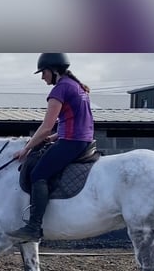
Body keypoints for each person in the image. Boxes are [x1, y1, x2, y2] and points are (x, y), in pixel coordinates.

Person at [8, 53, 95, 242]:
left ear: (54, 71)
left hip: (72, 142)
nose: (42, 77)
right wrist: (56, 136)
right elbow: (77, 120)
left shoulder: (60, 89)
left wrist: (27, 148)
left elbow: (46, 127)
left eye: (44, 72)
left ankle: (33, 227)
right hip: (82, 140)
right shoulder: (78, 87)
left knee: (38, 174)